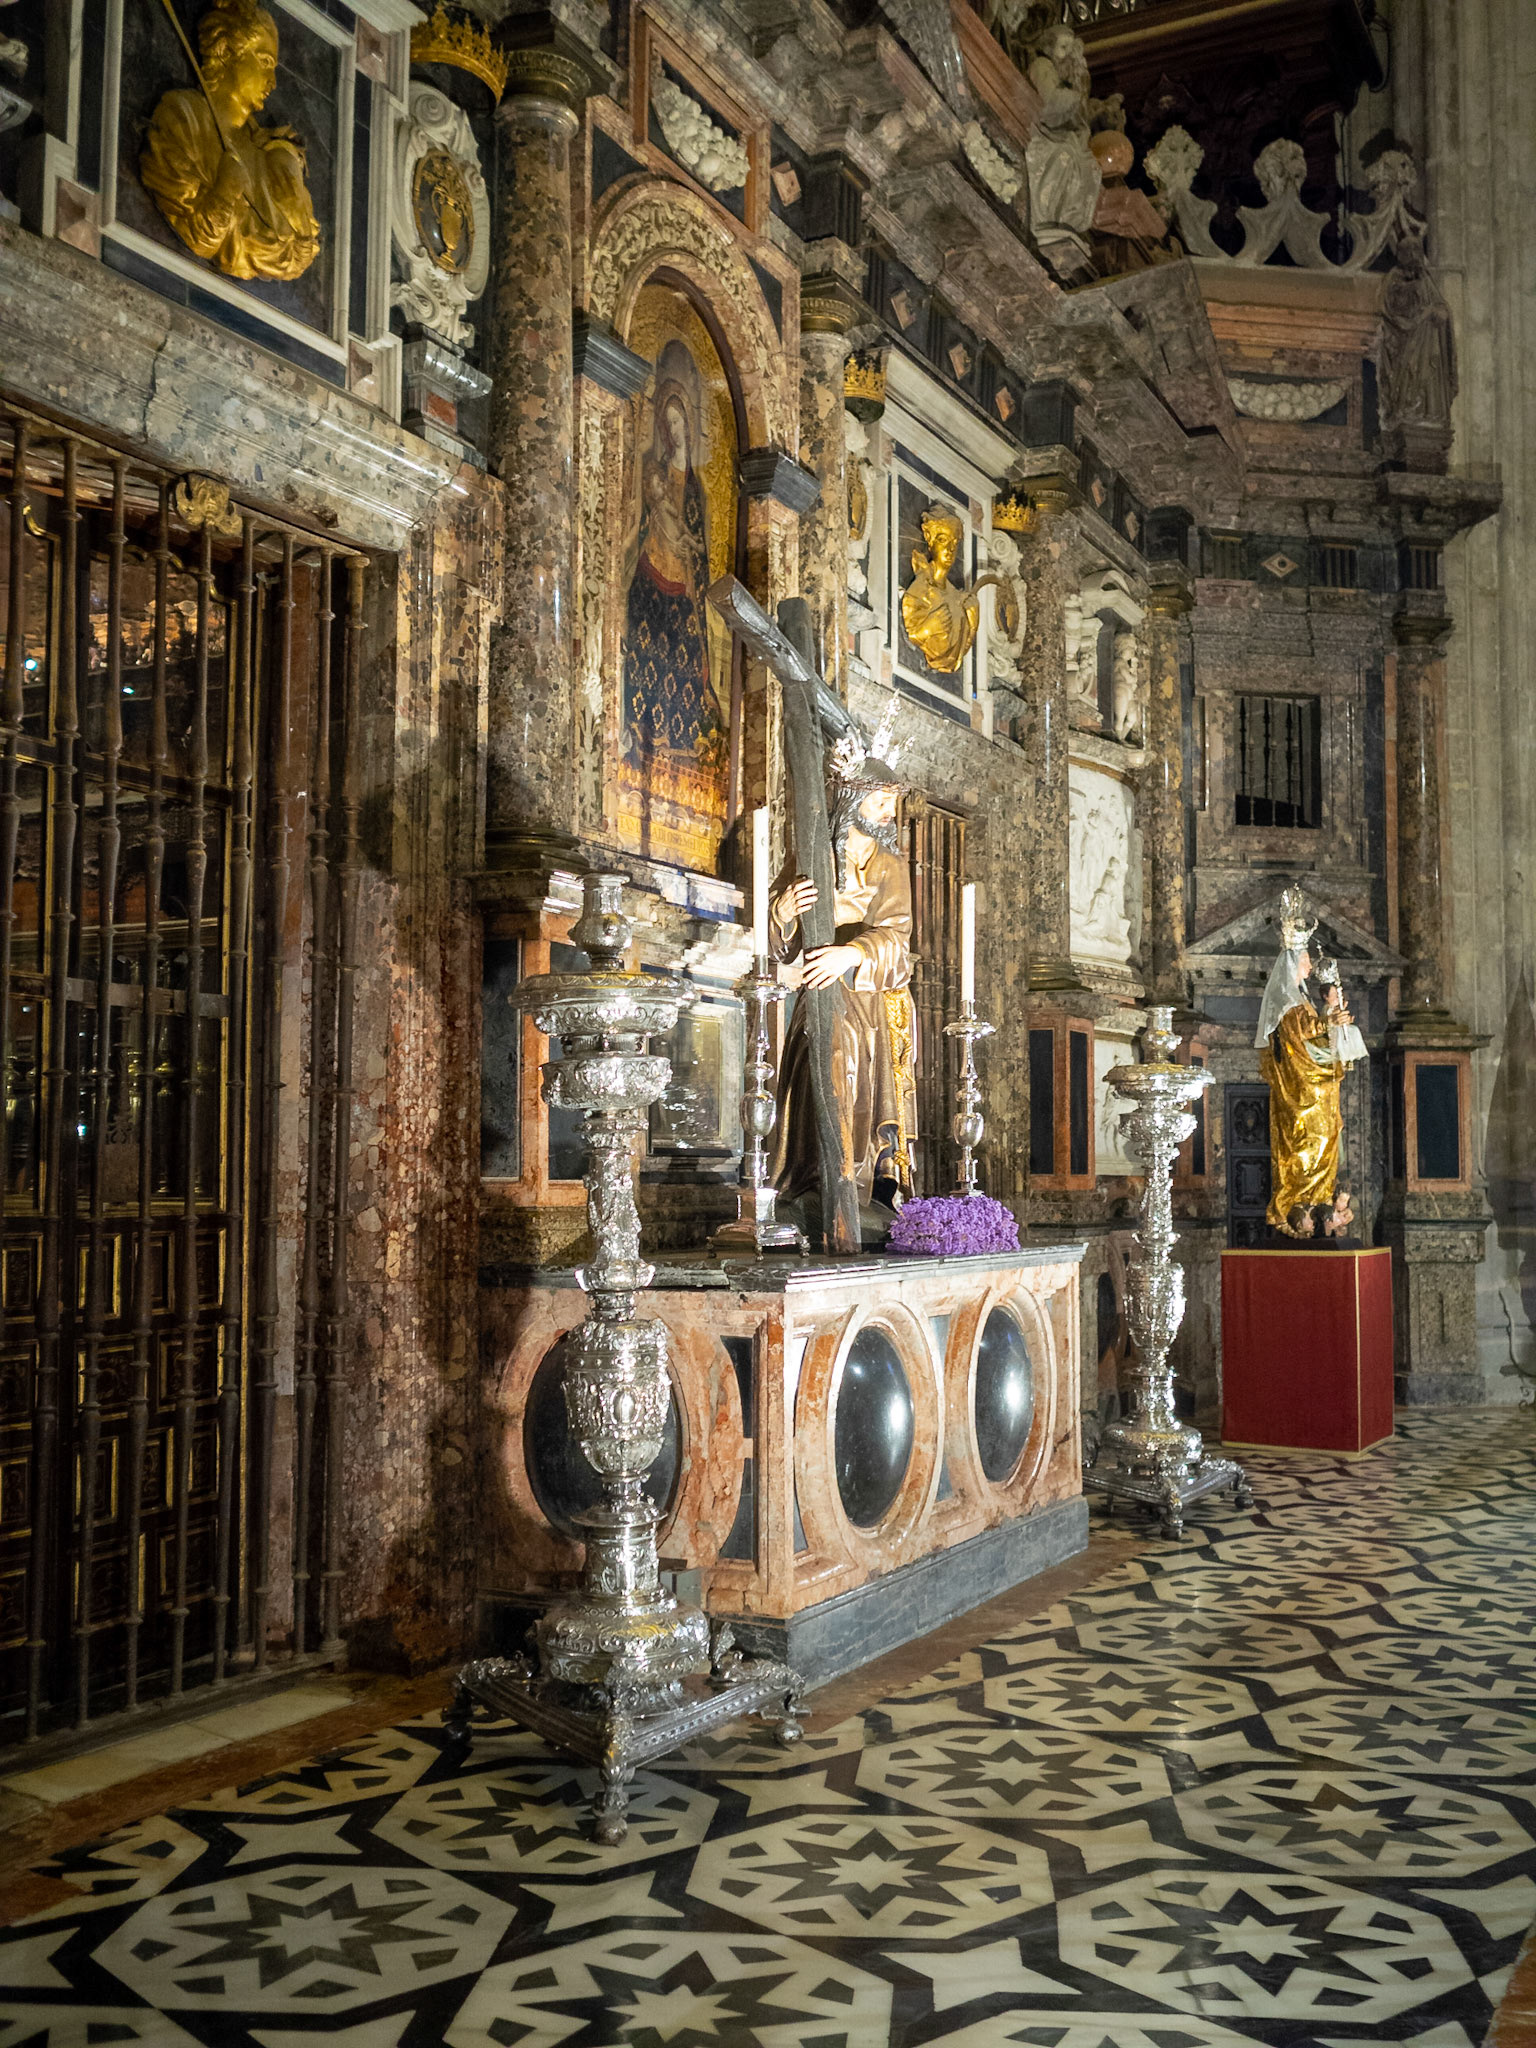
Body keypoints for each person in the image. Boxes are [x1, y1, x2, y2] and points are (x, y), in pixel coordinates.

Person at [771, 736, 917, 1222]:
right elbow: (778, 940)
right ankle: (809, 1179)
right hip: (817, 983)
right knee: (809, 1068)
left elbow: (897, 936)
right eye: (880, 801)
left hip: (866, 992)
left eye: (892, 802)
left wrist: (850, 953)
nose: (890, 813)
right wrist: (783, 913)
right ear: (853, 799)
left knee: (849, 1065)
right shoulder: (813, 855)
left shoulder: (890, 864)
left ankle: (852, 1182)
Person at [141, 0, 320, 282]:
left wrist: (299, 220)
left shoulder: (264, 153)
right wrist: (224, 192)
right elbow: (199, 235)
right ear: (226, 52)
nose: (273, 82)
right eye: (264, 62)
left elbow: (293, 259)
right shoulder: (183, 116)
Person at [1255, 891, 1356, 1237]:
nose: (1310, 968)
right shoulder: (1287, 1002)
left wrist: (1333, 1025)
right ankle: (1298, 1208)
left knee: (1325, 1141)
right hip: (1301, 1093)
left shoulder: (1302, 1000)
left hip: (1318, 1090)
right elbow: (1299, 1040)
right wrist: (1328, 1022)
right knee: (1304, 1147)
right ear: (1292, 964)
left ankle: (1320, 1204)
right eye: (1305, 961)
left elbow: (1315, 1039)